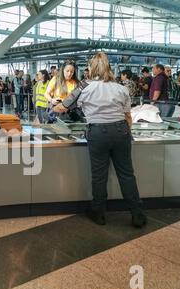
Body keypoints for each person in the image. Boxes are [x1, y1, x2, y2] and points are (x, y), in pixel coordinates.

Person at [54, 52, 147, 228]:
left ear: (91, 68)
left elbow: (62, 108)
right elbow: (128, 117)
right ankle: (137, 214)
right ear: (109, 68)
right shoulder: (120, 88)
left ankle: (99, 213)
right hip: (121, 130)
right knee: (127, 174)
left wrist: (55, 103)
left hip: (97, 133)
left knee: (99, 176)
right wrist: (126, 133)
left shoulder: (84, 87)